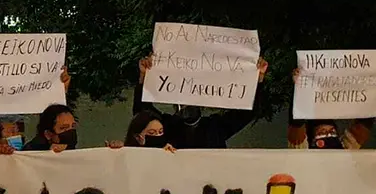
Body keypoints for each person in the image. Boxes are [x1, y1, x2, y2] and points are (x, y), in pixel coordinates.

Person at [135, 55, 269, 149]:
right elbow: (142, 111)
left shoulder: (216, 127)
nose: (187, 103)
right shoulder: (167, 126)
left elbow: (248, 112)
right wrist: (144, 76)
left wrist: (258, 79)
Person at [287, 70, 372, 149]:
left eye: (332, 132)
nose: (328, 135)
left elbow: (363, 126)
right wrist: (299, 89)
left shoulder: (344, 151)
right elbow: (296, 129)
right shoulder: (303, 153)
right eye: (322, 132)